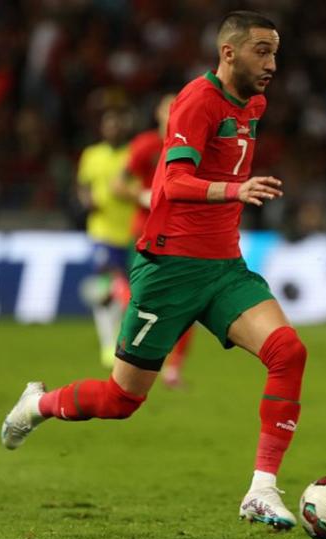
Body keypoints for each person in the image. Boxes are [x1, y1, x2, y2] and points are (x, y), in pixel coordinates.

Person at [2, 11, 305, 530]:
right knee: (122, 399)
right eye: (261, 50)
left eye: (275, 51)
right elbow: (173, 183)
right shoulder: (196, 101)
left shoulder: (254, 102)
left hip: (224, 268)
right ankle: (39, 404)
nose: (272, 63)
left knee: (289, 352)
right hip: (167, 269)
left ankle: (261, 490)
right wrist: (236, 189)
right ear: (228, 52)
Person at [111, 93, 195, 388]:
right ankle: (125, 361)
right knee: (141, 302)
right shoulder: (146, 146)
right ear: (157, 113)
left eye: (178, 108)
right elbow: (117, 185)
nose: (173, 112)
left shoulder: (191, 146)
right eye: (167, 107)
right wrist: (141, 195)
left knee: (190, 304)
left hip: (181, 238)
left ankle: (173, 370)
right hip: (146, 235)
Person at [76, 109, 135, 368]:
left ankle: (122, 342)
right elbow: (82, 184)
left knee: (128, 293)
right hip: (101, 231)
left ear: (123, 128)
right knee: (107, 288)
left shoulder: (132, 155)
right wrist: (86, 200)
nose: (112, 130)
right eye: (108, 125)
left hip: (131, 232)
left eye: (116, 125)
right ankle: (107, 344)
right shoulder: (91, 155)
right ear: (102, 129)